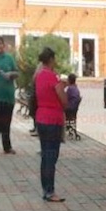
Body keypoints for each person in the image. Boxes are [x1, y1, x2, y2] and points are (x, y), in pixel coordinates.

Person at [34, 47, 67, 203]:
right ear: (51, 59)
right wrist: (63, 86)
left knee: (45, 155)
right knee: (51, 156)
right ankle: (50, 191)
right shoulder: (53, 77)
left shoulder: (39, 76)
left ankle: (45, 189)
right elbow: (63, 99)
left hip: (41, 117)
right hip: (53, 119)